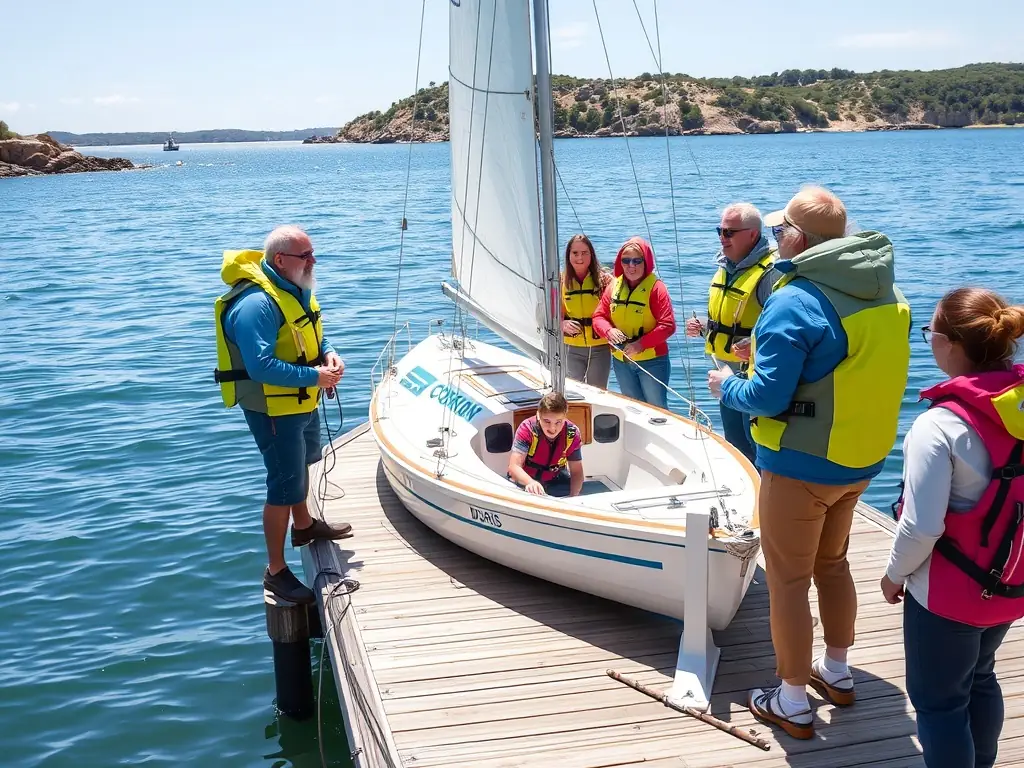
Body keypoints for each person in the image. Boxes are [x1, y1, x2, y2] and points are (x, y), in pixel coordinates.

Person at [707, 186, 911, 739]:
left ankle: (792, 699)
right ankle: (837, 672)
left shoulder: (795, 299)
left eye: (779, 233)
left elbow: (768, 398)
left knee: (789, 581)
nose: (776, 243)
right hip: (859, 460)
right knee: (833, 562)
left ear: (799, 238)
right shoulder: (880, 291)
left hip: (799, 464)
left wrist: (728, 385)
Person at [882, 287, 1024, 768]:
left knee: (940, 703)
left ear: (953, 345)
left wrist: (894, 574)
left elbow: (921, 527)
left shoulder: (939, 425)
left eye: (931, 334)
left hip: (948, 595)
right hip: (1009, 580)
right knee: (981, 676)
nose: (930, 343)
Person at [214, 225, 354, 605]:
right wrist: (316, 375)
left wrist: (328, 355)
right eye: (305, 255)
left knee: (303, 465)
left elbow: (312, 332)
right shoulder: (255, 304)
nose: (313, 260)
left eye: (312, 252)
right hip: (273, 408)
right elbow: (259, 366)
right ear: (281, 260)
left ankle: (305, 526)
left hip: (301, 400)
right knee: (282, 485)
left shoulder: (295, 288)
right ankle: (275, 572)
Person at [685, 203, 780, 465]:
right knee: (735, 440)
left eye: (729, 232)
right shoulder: (726, 267)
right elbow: (729, 320)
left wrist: (756, 345)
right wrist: (704, 325)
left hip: (753, 376)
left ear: (752, 234)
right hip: (725, 370)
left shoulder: (770, 274)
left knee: (755, 441)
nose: (721, 238)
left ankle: (766, 496)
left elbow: (781, 329)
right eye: (720, 231)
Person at [592, 237, 676, 409]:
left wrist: (641, 344)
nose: (631, 266)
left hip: (652, 361)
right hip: (621, 361)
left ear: (646, 262)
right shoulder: (614, 286)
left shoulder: (657, 288)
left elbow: (668, 325)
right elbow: (598, 316)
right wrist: (608, 331)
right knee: (633, 408)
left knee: (657, 409)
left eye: (637, 261)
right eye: (626, 261)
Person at [507, 392, 584, 497]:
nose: (552, 428)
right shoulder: (527, 429)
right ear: (538, 415)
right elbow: (514, 467)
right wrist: (530, 482)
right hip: (526, 481)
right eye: (547, 421)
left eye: (558, 422)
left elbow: (576, 472)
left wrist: (574, 497)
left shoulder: (572, 433)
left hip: (555, 480)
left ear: (565, 417)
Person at [561, 234, 613, 388]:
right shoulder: (560, 281)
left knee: (598, 392)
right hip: (571, 347)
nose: (580, 257)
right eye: (575, 253)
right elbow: (550, 314)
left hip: (600, 348)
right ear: (568, 255)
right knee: (572, 392)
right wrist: (562, 323)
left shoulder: (605, 281)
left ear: (591, 255)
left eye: (585, 253)